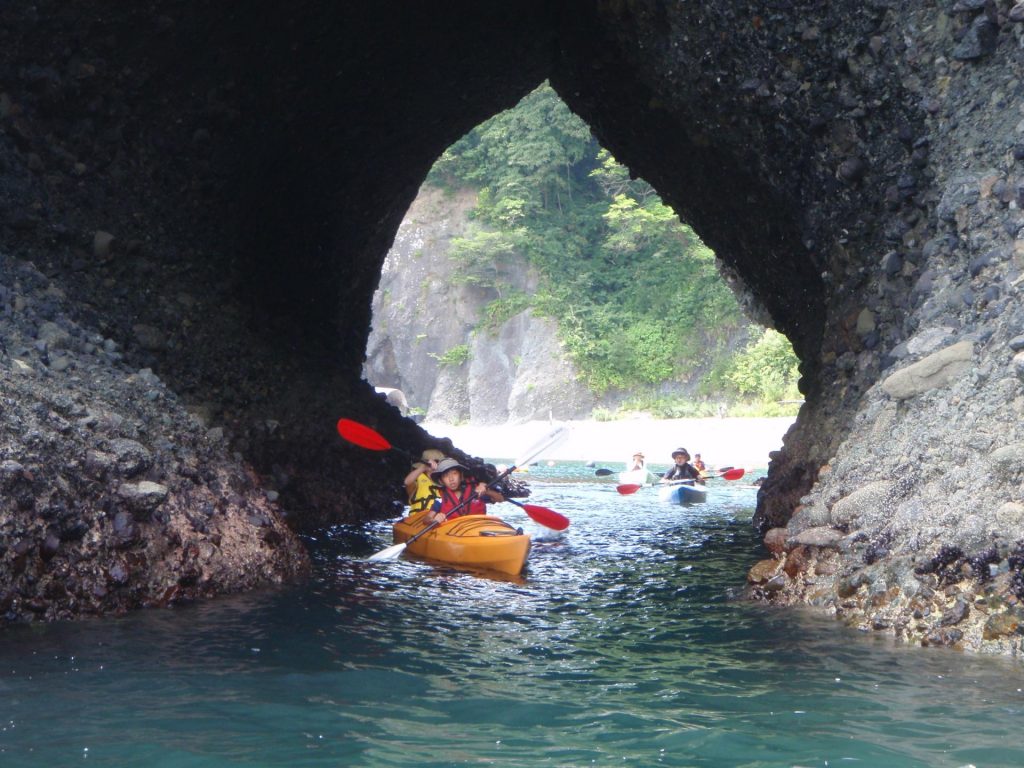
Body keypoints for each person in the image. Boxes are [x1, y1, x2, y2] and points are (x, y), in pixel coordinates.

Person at [426, 457, 505, 524]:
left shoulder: (476, 489)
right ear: (441, 481)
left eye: (454, 473)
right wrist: (434, 520)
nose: (451, 479)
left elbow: (500, 499)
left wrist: (486, 490)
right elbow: (427, 519)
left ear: (461, 476)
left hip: (478, 528)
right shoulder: (441, 497)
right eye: (446, 476)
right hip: (454, 533)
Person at [403, 448, 444, 515]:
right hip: (418, 519)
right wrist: (423, 467)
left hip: (437, 519)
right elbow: (407, 482)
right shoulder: (417, 479)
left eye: (437, 461)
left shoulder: (444, 482)